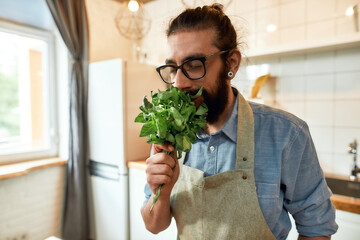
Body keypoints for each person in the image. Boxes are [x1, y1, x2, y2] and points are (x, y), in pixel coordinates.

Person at [141, 4, 338, 240]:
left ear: (231, 62)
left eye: (193, 65)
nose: (178, 83)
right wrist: (159, 194)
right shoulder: (170, 134)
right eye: (173, 68)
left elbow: (316, 228)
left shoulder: (287, 134)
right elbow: (154, 226)